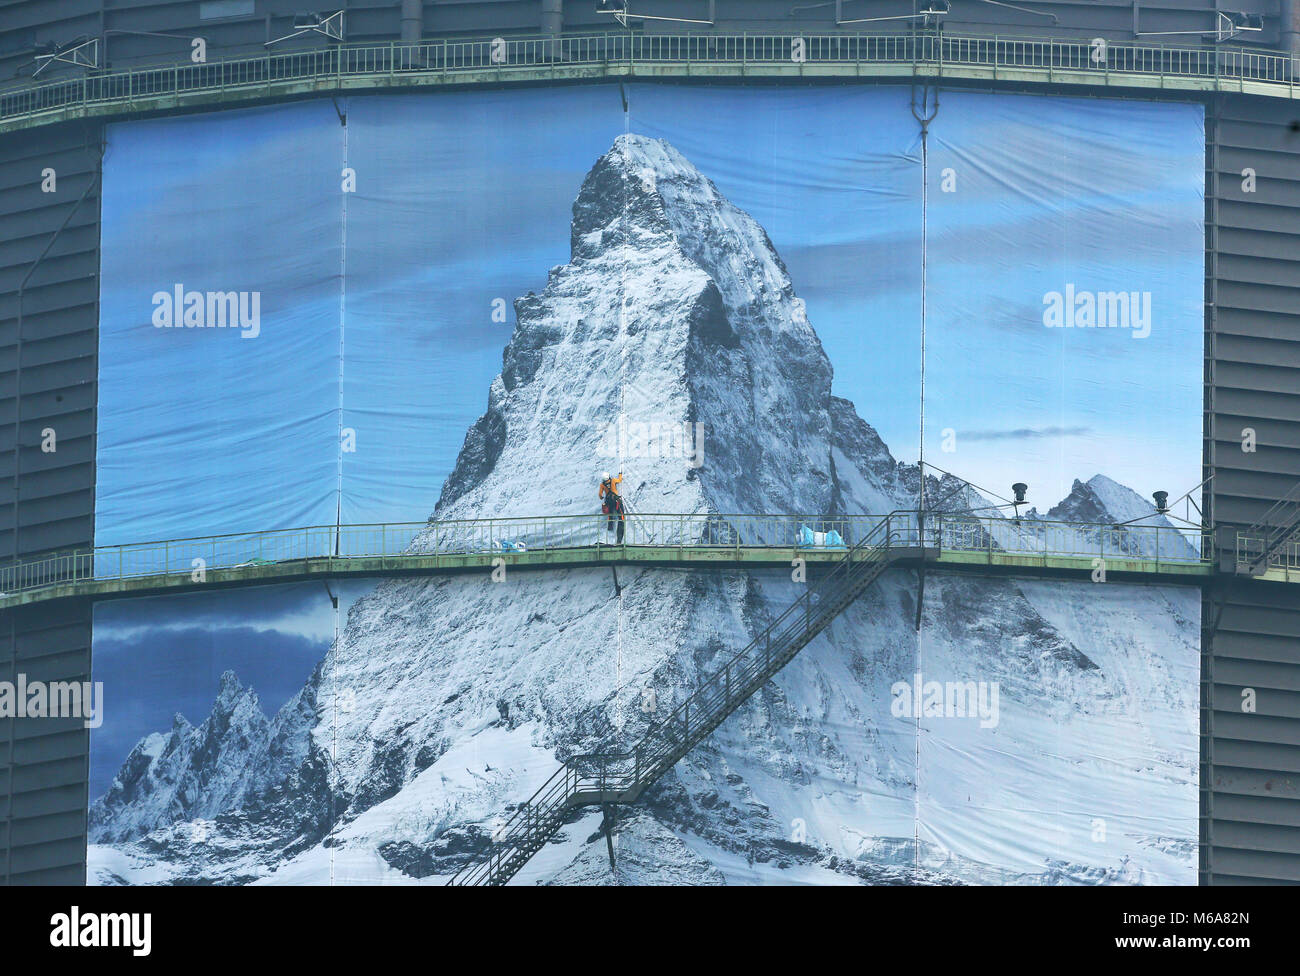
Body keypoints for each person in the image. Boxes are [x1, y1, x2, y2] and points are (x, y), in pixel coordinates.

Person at [599, 471, 625, 543]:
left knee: (610, 515)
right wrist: (620, 474)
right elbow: (619, 480)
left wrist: (602, 497)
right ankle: (619, 538)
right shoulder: (613, 480)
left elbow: (600, 495)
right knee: (621, 517)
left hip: (609, 502)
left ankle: (610, 527)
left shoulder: (602, 485)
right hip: (616, 500)